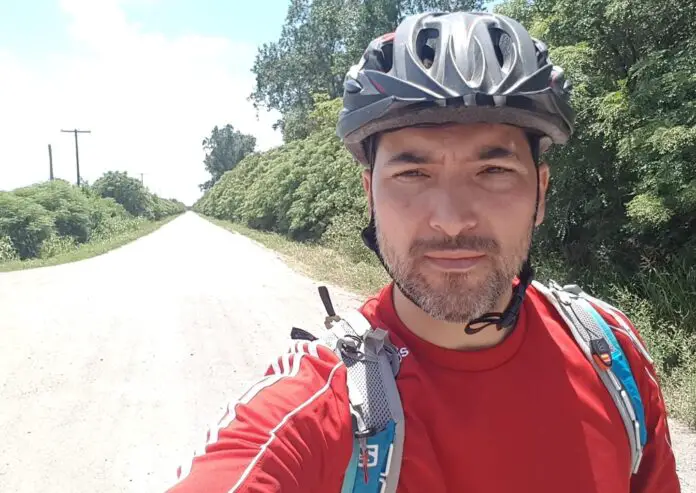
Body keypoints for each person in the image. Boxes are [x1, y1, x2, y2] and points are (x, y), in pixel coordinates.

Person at [167, 10, 681, 493]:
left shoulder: (612, 356)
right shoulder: (316, 405)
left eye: (494, 171)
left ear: (541, 193)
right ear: (370, 196)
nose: (452, 219)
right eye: (413, 173)